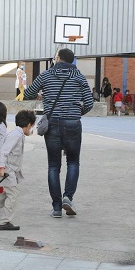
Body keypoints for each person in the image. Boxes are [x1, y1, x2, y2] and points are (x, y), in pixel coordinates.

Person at [24, 48, 93, 218]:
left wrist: (42, 94)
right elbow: (89, 102)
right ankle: (68, 197)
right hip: (73, 124)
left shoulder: (46, 75)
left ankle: (56, 208)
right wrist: (76, 114)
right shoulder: (79, 76)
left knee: (54, 166)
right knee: (73, 162)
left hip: (53, 123)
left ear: (59, 58)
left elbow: (28, 94)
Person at [0, 110, 36, 230]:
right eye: (32, 126)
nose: (32, 129)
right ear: (28, 125)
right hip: (7, 169)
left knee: (8, 193)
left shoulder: (18, 134)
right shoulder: (16, 135)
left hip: (9, 169)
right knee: (14, 194)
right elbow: (3, 152)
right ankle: (4, 222)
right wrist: (1, 168)